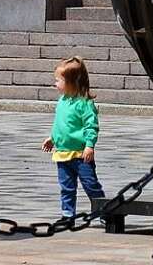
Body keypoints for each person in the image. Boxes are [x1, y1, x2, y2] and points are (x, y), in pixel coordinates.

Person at [42, 57, 106, 221]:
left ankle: (104, 211)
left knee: (91, 185)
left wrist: (89, 146)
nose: (55, 84)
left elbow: (91, 126)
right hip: (62, 153)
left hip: (80, 154)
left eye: (59, 80)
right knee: (66, 187)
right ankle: (67, 214)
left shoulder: (84, 103)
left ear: (72, 82)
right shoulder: (62, 101)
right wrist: (53, 138)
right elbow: (61, 124)